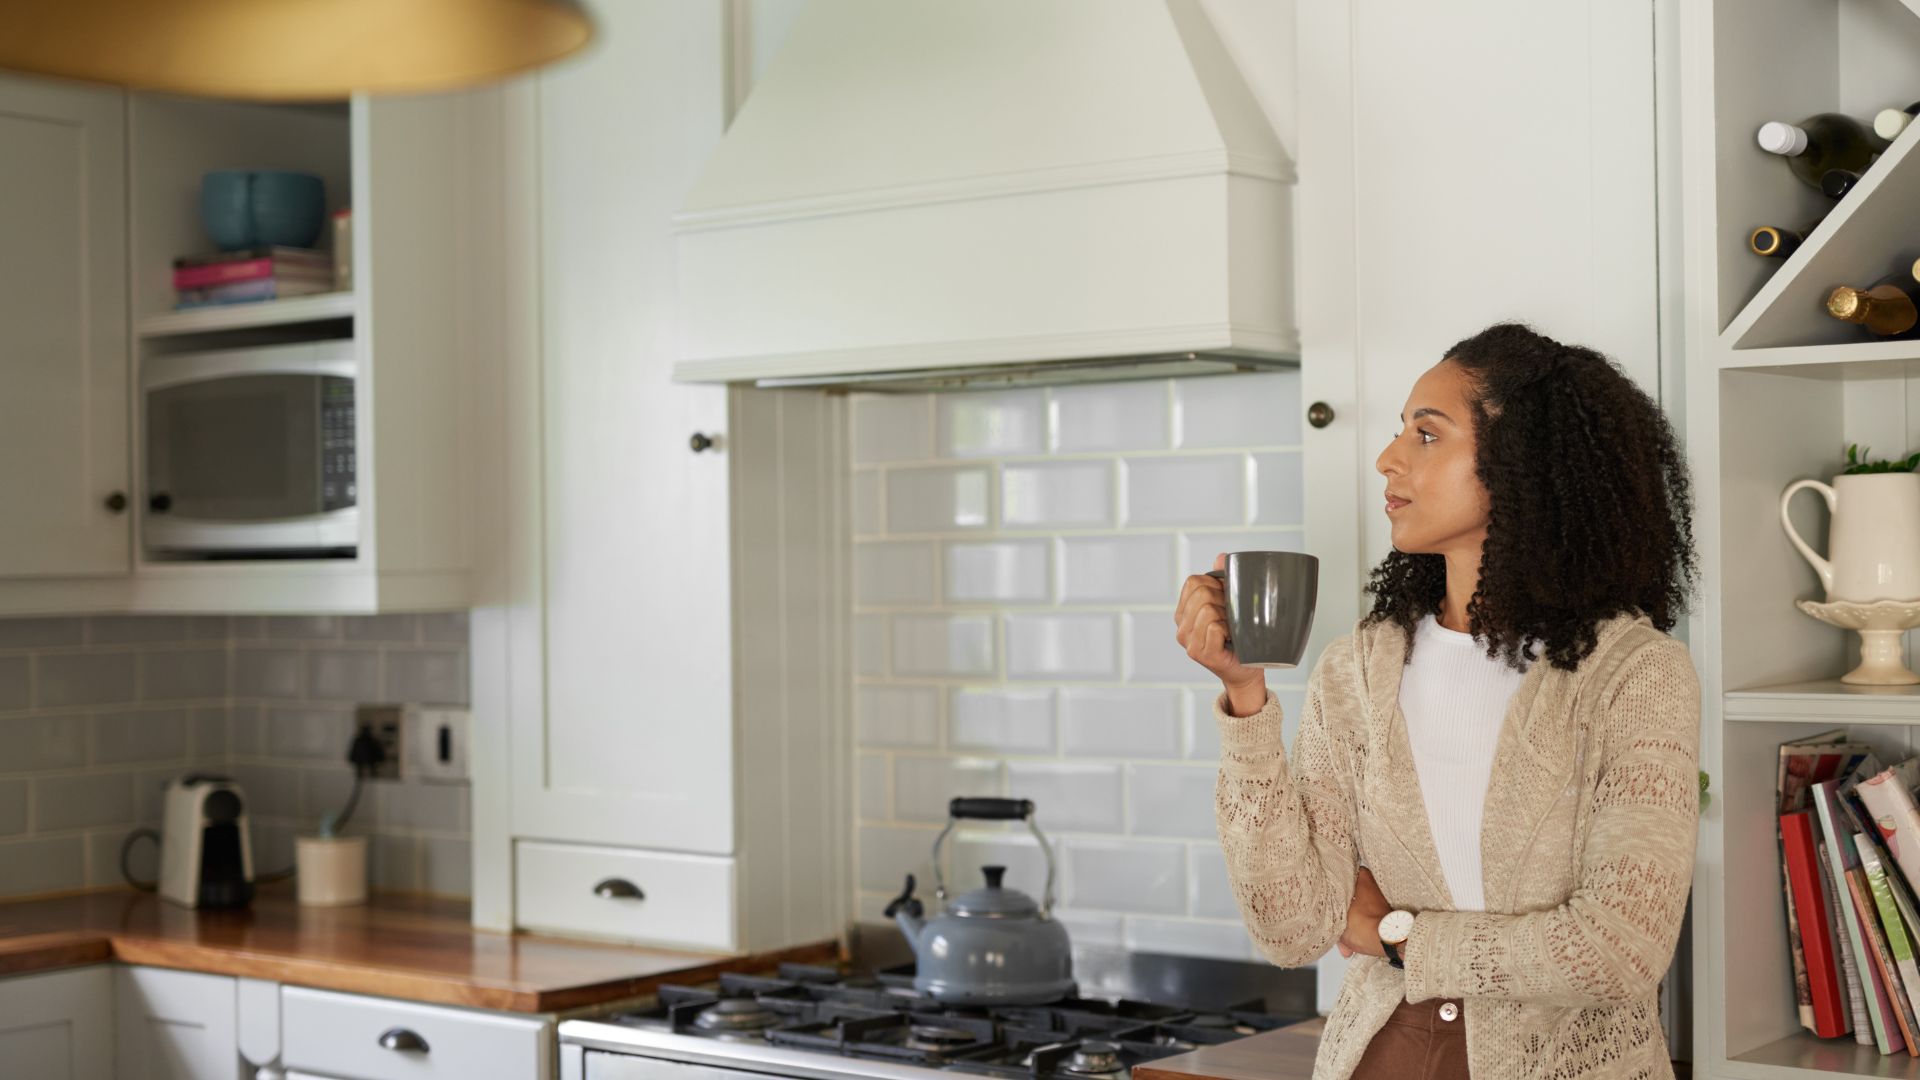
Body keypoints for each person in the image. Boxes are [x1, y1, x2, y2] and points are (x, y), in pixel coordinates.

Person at [1173, 322, 1702, 1080]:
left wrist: (1397, 938)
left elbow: (1618, 950)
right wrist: (1245, 696)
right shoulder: (1354, 670)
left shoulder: (1635, 674)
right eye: (1400, 433)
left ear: (1525, 460)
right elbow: (1292, 928)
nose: (1389, 458)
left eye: (1427, 435)